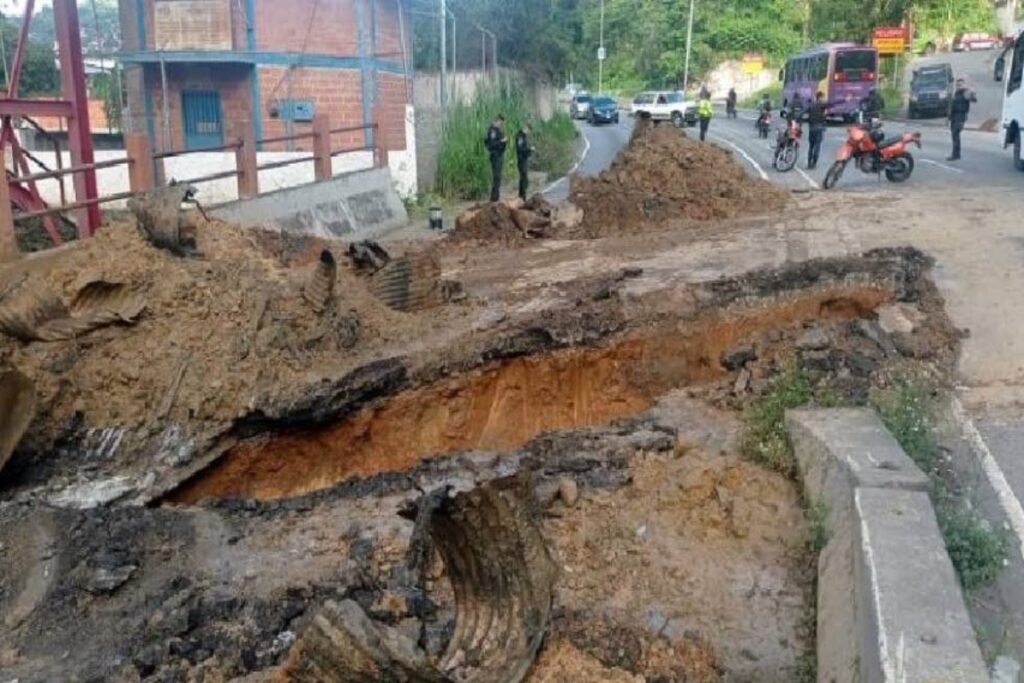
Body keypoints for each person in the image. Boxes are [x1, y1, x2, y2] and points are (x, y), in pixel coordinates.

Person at [948, 78, 977, 161]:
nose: (958, 86)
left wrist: (972, 93)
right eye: (957, 85)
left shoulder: (965, 92)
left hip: (960, 116)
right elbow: (952, 105)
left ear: (963, 85)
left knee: (955, 134)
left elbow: (973, 99)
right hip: (954, 116)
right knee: (955, 136)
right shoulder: (956, 93)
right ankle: (956, 154)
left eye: (960, 84)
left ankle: (955, 155)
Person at [804, 91, 832, 170]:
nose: (824, 99)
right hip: (819, 128)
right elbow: (833, 104)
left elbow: (803, 112)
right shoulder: (822, 105)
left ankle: (809, 163)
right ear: (820, 97)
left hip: (811, 128)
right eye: (823, 97)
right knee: (817, 146)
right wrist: (845, 100)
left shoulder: (811, 105)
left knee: (811, 146)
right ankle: (814, 163)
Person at [484, 114, 508, 202]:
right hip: (495, 156)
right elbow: (492, 144)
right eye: (501, 123)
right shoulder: (492, 131)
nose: (501, 125)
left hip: (499, 155)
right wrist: (502, 141)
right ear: (497, 121)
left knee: (498, 177)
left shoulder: (498, 130)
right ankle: (494, 198)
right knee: (496, 177)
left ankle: (496, 197)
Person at [514, 122, 534, 201]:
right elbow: (520, 149)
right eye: (528, 130)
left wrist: (529, 151)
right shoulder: (520, 136)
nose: (528, 132)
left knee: (523, 178)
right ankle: (522, 196)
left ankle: (521, 195)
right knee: (524, 177)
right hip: (521, 160)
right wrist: (529, 149)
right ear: (526, 128)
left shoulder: (523, 136)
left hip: (524, 159)